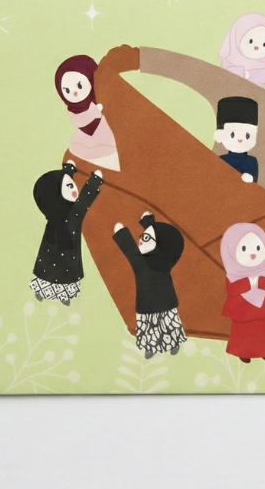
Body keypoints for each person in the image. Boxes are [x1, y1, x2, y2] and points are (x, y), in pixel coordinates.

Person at [112, 212, 187, 358]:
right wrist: (148, 223)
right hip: (155, 303)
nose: (141, 241)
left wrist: (122, 233)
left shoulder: (153, 262)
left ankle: (171, 343)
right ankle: (153, 346)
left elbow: (130, 249)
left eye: (146, 238)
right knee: (158, 322)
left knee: (165, 321)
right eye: (143, 236)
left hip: (157, 303)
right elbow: (134, 249)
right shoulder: (161, 261)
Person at [29, 162, 103, 306]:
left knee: (51, 270)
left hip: (53, 254)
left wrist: (68, 172)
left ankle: (50, 293)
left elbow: (62, 190)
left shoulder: (56, 212)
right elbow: (83, 202)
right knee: (62, 272)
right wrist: (94, 182)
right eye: (70, 186)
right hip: (65, 255)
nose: (74, 188)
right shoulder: (70, 215)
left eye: (72, 184)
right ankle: (53, 293)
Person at [221, 222, 265, 362]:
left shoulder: (262, 270)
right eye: (244, 248)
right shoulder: (232, 275)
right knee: (242, 331)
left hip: (259, 310)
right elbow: (232, 289)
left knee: (262, 330)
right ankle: (243, 352)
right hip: (241, 310)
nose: (252, 254)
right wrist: (252, 282)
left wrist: (258, 282)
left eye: (258, 248)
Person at [54, 54, 120, 170]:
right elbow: (82, 122)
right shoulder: (75, 111)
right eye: (67, 91)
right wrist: (95, 111)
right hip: (91, 139)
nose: (75, 93)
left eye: (79, 85)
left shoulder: (103, 97)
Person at [217, 13, 265, 87]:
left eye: (264, 44)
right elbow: (226, 75)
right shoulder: (230, 61)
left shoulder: (261, 69)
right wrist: (243, 73)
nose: (256, 47)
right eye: (250, 41)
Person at [215, 96, 260, 182]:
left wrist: (250, 178)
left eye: (247, 136)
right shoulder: (221, 160)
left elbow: (254, 180)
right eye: (232, 135)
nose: (240, 139)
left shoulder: (251, 161)